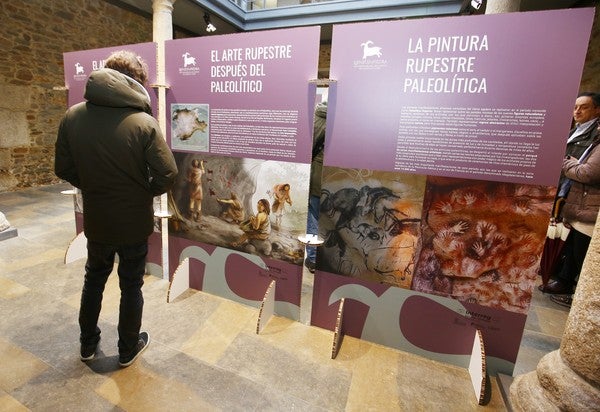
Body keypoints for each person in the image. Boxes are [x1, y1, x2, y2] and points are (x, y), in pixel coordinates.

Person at [54, 50, 178, 367]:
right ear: (135, 82)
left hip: (96, 218)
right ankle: (126, 349)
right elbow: (168, 174)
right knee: (131, 285)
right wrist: (143, 192)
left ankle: (86, 345)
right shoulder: (143, 122)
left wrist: (93, 185)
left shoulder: (73, 116)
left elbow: (63, 167)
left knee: (93, 280)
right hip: (133, 221)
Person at [543, 125, 600, 307]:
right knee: (575, 252)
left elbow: (587, 173)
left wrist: (567, 162)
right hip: (582, 206)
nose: (597, 125)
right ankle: (569, 286)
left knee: (583, 258)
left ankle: (581, 300)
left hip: (589, 210)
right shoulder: (595, 144)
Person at [305, 101, 327, 273]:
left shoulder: (318, 117)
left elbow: (308, 148)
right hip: (336, 176)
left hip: (317, 174)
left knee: (314, 216)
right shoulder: (345, 117)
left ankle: (313, 259)